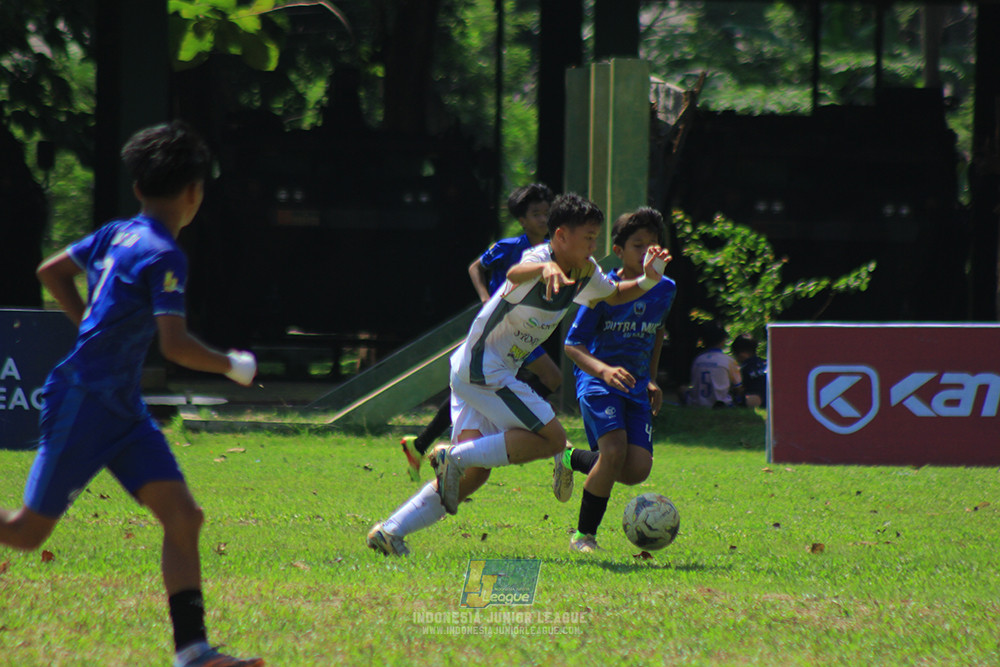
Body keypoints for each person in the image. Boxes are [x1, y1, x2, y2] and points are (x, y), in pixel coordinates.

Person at [0, 121, 264, 667]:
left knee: (183, 517)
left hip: (119, 406)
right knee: (26, 533)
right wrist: (232, 365)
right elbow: (175, 346)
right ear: (194, 193)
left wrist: (88, 326)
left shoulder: (116, 233)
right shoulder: (165, 253)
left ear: (139, 188)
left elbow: (52, 272)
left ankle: (193, 652)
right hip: (84, 401)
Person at [367, 192, 672, 555]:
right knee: (554, 439)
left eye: (595, 237)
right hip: (485, 370)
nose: (594, 245)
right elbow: (515, 271)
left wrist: (649, 281)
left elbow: (614, 295)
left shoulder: (587, 270)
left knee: (473, 476)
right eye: (588, 237)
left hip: (476, 371)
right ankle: (454, 454)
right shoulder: (540, 257)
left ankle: (390, 531)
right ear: (560, 236)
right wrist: (544, 269)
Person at [400, 183, 563, 481]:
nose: (543, 219)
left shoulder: (554, 249)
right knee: (550, 377)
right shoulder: (510, 247)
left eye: (547, 213)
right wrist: (486, 298)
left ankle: (421, 444)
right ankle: (516, 422)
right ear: (522, 220)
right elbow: (476, 267)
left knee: (505, 385)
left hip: (523, 331)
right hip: (501, 331)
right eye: (536, 214)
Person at [561, 207, 676, 552]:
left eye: (652, 245)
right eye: (638, 245)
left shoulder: (665, 288)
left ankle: (568, 458)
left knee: (635, 470)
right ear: (618, 251)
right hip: (598, 382)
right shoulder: (603, 289)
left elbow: (657, 332)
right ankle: (583, 536)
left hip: (636, 385)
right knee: (613, 451)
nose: (646, 253)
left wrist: (652, 379)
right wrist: (604, 371)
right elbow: (572, 345)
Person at [688, 324, 743, 408]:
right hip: (721, 404)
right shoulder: (728, 360)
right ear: (723, 340)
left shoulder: (698, 359)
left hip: (698, 403)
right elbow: (738, 388)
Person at [731, 333, 766, 408]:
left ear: (741, 354)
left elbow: (739, 389)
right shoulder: (766, 364)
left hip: (754, 400)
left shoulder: (743, 369)